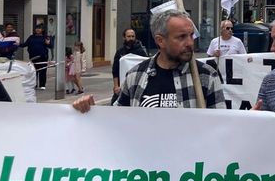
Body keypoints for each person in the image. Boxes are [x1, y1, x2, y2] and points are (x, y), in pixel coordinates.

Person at [73, 10, 226, 112]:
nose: (190, 43)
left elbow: (222, 128)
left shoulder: (206, 76)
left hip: (190, 160)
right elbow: (116, 123)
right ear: (160, 41)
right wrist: (91, 112)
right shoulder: (135, 76)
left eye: (191, 35)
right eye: (181, 37)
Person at [111, 28, 149, 104]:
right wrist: (116, 86)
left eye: (133, 36)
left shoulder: (141, 51)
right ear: (124, 37)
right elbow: (115, 69)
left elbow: (146, 68)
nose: (131, 38)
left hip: (136, 85)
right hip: (122, 85)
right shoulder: (120, 52)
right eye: (128, 36)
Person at [22, 24, 52, 90]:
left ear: (42, 30)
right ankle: (34, 84)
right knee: (34, 71)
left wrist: (48, 43)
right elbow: (25, 44)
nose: (38, 29)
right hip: (33, 57)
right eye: (37, 28)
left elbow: (51, 46)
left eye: (39, 28)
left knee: (43, 71)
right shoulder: (31, 37)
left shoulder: (45, 37)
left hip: (43, 56)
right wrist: (17, 44)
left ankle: (42, 85)